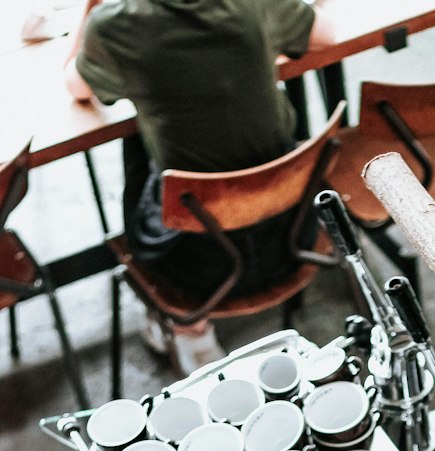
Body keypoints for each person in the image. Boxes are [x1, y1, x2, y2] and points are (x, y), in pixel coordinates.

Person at [65, 0, 341, 373]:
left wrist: (88, 10)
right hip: (295, 236)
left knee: (136, 143)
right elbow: (328, 33)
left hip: (195, 271)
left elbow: (76, 86)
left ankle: (190, 328)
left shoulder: (115, 25)